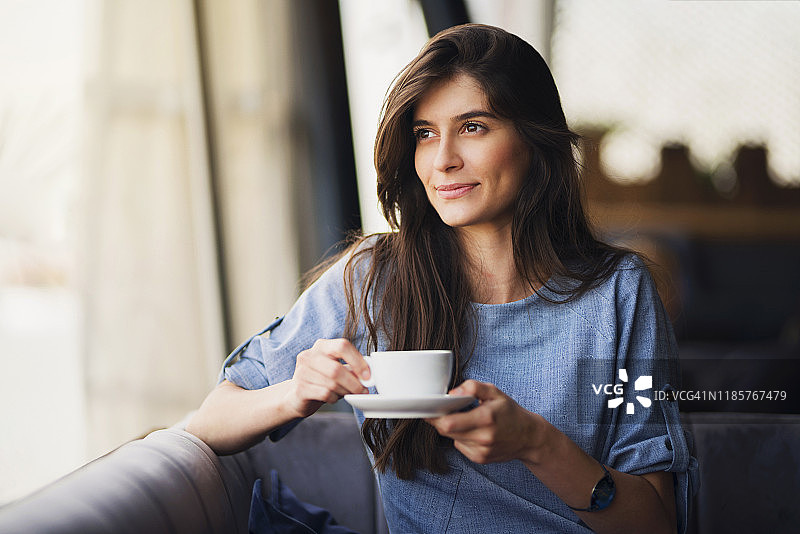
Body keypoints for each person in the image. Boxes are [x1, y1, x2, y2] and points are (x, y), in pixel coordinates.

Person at [186, 23, 696, 534]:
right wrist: (294, 393)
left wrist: (536, 444)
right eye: (425, 134)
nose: (443, 160)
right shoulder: (375, 277)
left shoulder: (617, 293)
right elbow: (211, 420)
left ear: (534, 138)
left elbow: (656, 524)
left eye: (473, 127)